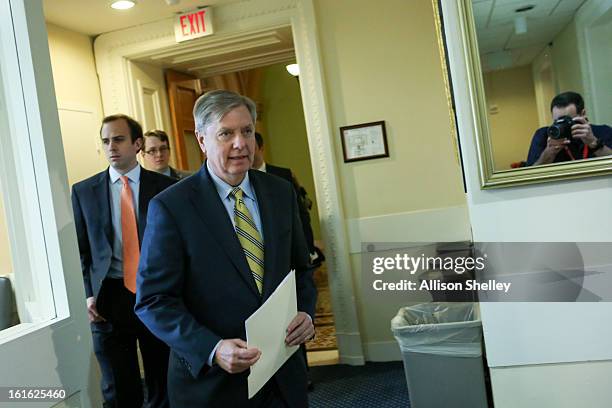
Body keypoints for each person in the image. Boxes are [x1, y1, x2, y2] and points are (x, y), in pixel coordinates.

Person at [135, 90, 317, 407]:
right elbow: (153, 301)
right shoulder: (172, 207)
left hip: (283, 375)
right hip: (213, 386)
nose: (240, 143)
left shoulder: (279, 191)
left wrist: (305, 313)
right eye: (226, 133)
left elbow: (300, 269)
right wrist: (213, 348)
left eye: (246, 131)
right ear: (202, 141)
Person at [71, 114, 175, 408]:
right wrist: (88, 294)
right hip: (109, 298)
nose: (111, 147)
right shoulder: (84, 191)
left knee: (163, 382)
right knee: (118, 389)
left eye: (118, 139)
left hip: (155, 294)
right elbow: (81, 251)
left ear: (137, 143)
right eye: (105, 141)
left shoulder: (165, 187)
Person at [252, 132, 323, 267]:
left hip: (288, 246)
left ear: (261, 148)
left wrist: (309, 246)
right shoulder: (240, 180)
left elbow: (301, 214)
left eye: (252, 147)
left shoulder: (283, 175)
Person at [526, 91, 612, 166]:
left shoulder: (603, 132)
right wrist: (549, 152)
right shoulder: (544, 135)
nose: (562, 126)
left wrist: (594, 143)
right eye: (557, 121)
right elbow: (529, 174)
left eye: (567, 120)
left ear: (583, 114)